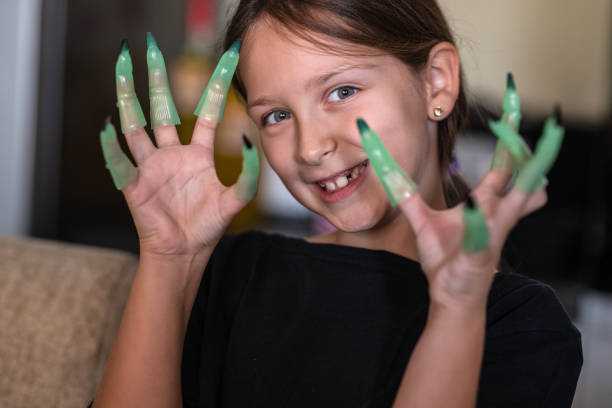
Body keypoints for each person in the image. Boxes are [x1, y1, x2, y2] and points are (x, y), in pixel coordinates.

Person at [90, 1, 582, 407]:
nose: (309, 148)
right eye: (277, 115)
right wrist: (169, 259)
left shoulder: (520, 323)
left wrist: (456, 310)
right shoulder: (233, 274)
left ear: (436, 81)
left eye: (342, 91)